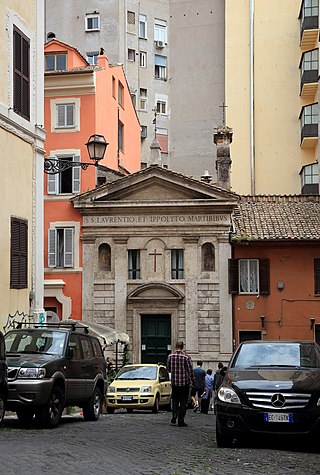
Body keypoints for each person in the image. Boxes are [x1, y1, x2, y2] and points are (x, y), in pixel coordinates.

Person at [167, 340, 196, 427]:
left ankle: (174, 415)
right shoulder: (186, 357)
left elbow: (168, 368)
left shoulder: (170, 356)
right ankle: (181, 420)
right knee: (183, 402)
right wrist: (193, 381)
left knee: (175, 400)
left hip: (175, 383)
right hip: (184, 383)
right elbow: (190, 371)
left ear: (175, 346)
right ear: (182, 347)